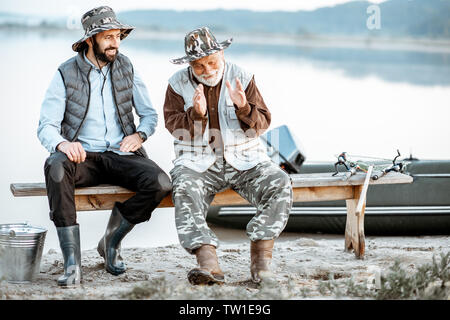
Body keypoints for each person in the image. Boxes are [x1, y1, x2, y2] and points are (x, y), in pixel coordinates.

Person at [37, 6, 172, 287]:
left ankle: (112, 240)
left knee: (160, 182)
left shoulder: (127, 67)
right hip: (83, 158)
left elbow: (148, 115)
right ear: (90, 40)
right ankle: (72, 264)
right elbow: (46, 126)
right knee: (55, 168)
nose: (115, 43)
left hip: (122, 153)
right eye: (108, 37)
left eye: (118, 36)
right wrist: (63, 143)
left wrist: (141, 135)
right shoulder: (65, 72)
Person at [164, 27, 293, 285]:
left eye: (211, 62)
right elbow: (176, 130)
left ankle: (261, 263)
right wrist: (196, 114)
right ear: (190, 64)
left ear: (221, 54)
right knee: (184, 187)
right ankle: (208, 263)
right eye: (198, 66)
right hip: (197, 162)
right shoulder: (176, 84)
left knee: (280, 183)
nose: (207, 70)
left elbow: (261, 125)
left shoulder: (242, 77)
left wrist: (243, 106)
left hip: (245, 160)